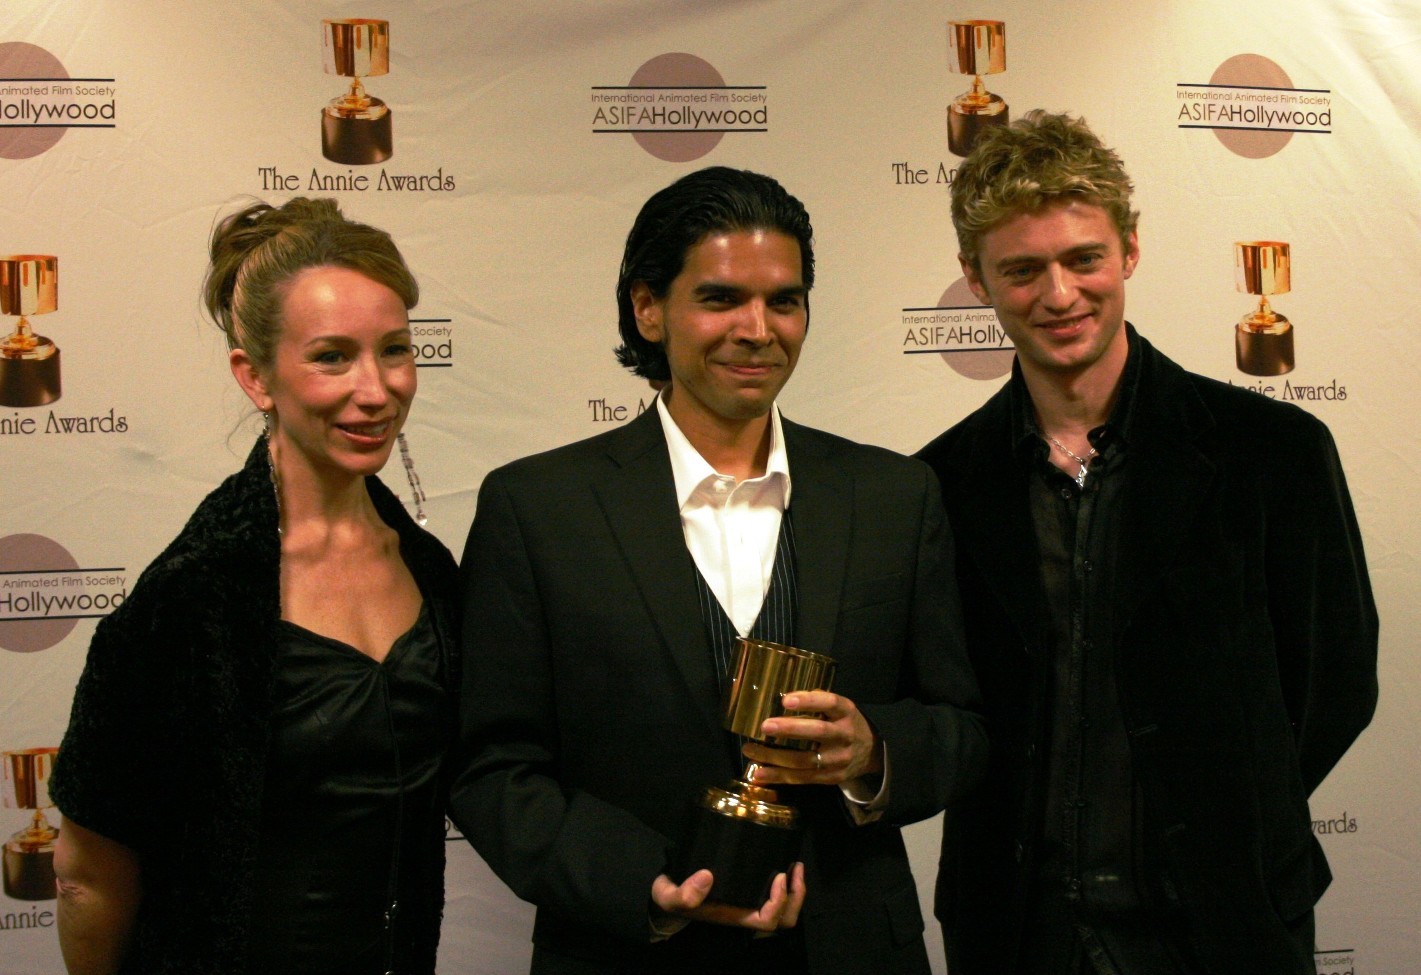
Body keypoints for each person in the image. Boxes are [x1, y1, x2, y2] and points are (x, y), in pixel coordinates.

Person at [451, 166, 986, 975]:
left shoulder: (893, 495)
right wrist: (641, 883)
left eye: (784, 299)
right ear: (647, 308)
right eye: (720, 298)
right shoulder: (537, 507)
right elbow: (492, 768)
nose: (757, 328)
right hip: (624, 950)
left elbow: (961, 725)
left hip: (850, 950)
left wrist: (873, 751)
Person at [917, 111, 1379, 975]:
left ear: (1128, 250)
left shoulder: (1270, 452)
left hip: (1224, 922)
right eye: (1022, 269)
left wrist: (1224, 822)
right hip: (1016, 935)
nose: (1058, 295)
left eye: (1082, 258)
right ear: (974, 280)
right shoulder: (936, 485)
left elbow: (1334, 682)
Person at [49, 197, 461, 975]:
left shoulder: (431, 570)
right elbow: (86, 874)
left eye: (395, 350)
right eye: (332, 356)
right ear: (255, 376)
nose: (375, 389)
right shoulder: (188, 598)